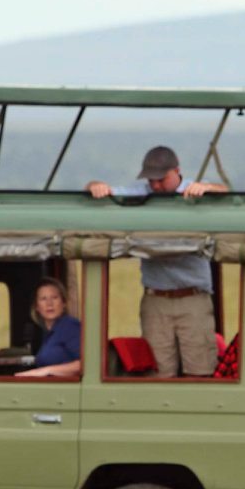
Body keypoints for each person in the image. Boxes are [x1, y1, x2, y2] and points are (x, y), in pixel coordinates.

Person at [85, 145, 227, 376]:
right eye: (151, 180)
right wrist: (95, 186)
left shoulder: (195, 190)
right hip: (156, 299)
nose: (156, 186)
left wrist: (209, 188)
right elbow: (99, 189)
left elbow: (226, 194)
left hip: (193, 298)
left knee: (200, 369)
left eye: (161, 179)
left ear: (177, 171)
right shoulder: (140, 194)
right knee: (158, 371)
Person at [16, 278, 82, 379]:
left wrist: (47, 371)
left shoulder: (70, 326)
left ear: (63, 303)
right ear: (36, 307)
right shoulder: (48, 333)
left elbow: (86, 365)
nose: (49, 303)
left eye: (54, 297)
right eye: (43, 299)